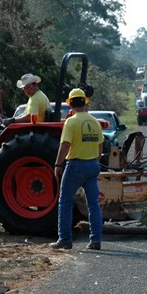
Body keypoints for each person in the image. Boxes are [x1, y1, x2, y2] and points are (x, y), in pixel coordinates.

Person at [49, 88, 103, 251]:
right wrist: (94, 161)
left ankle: (65, 239)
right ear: (85, 102)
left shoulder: (71, 122)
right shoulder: (94, 121)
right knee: (93, 204)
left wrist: (58, 165)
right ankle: (96, 240)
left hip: (75, 165)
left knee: (65, 202)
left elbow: (65, 145)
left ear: (70, 103)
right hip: (92, 165)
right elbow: (100, 146)